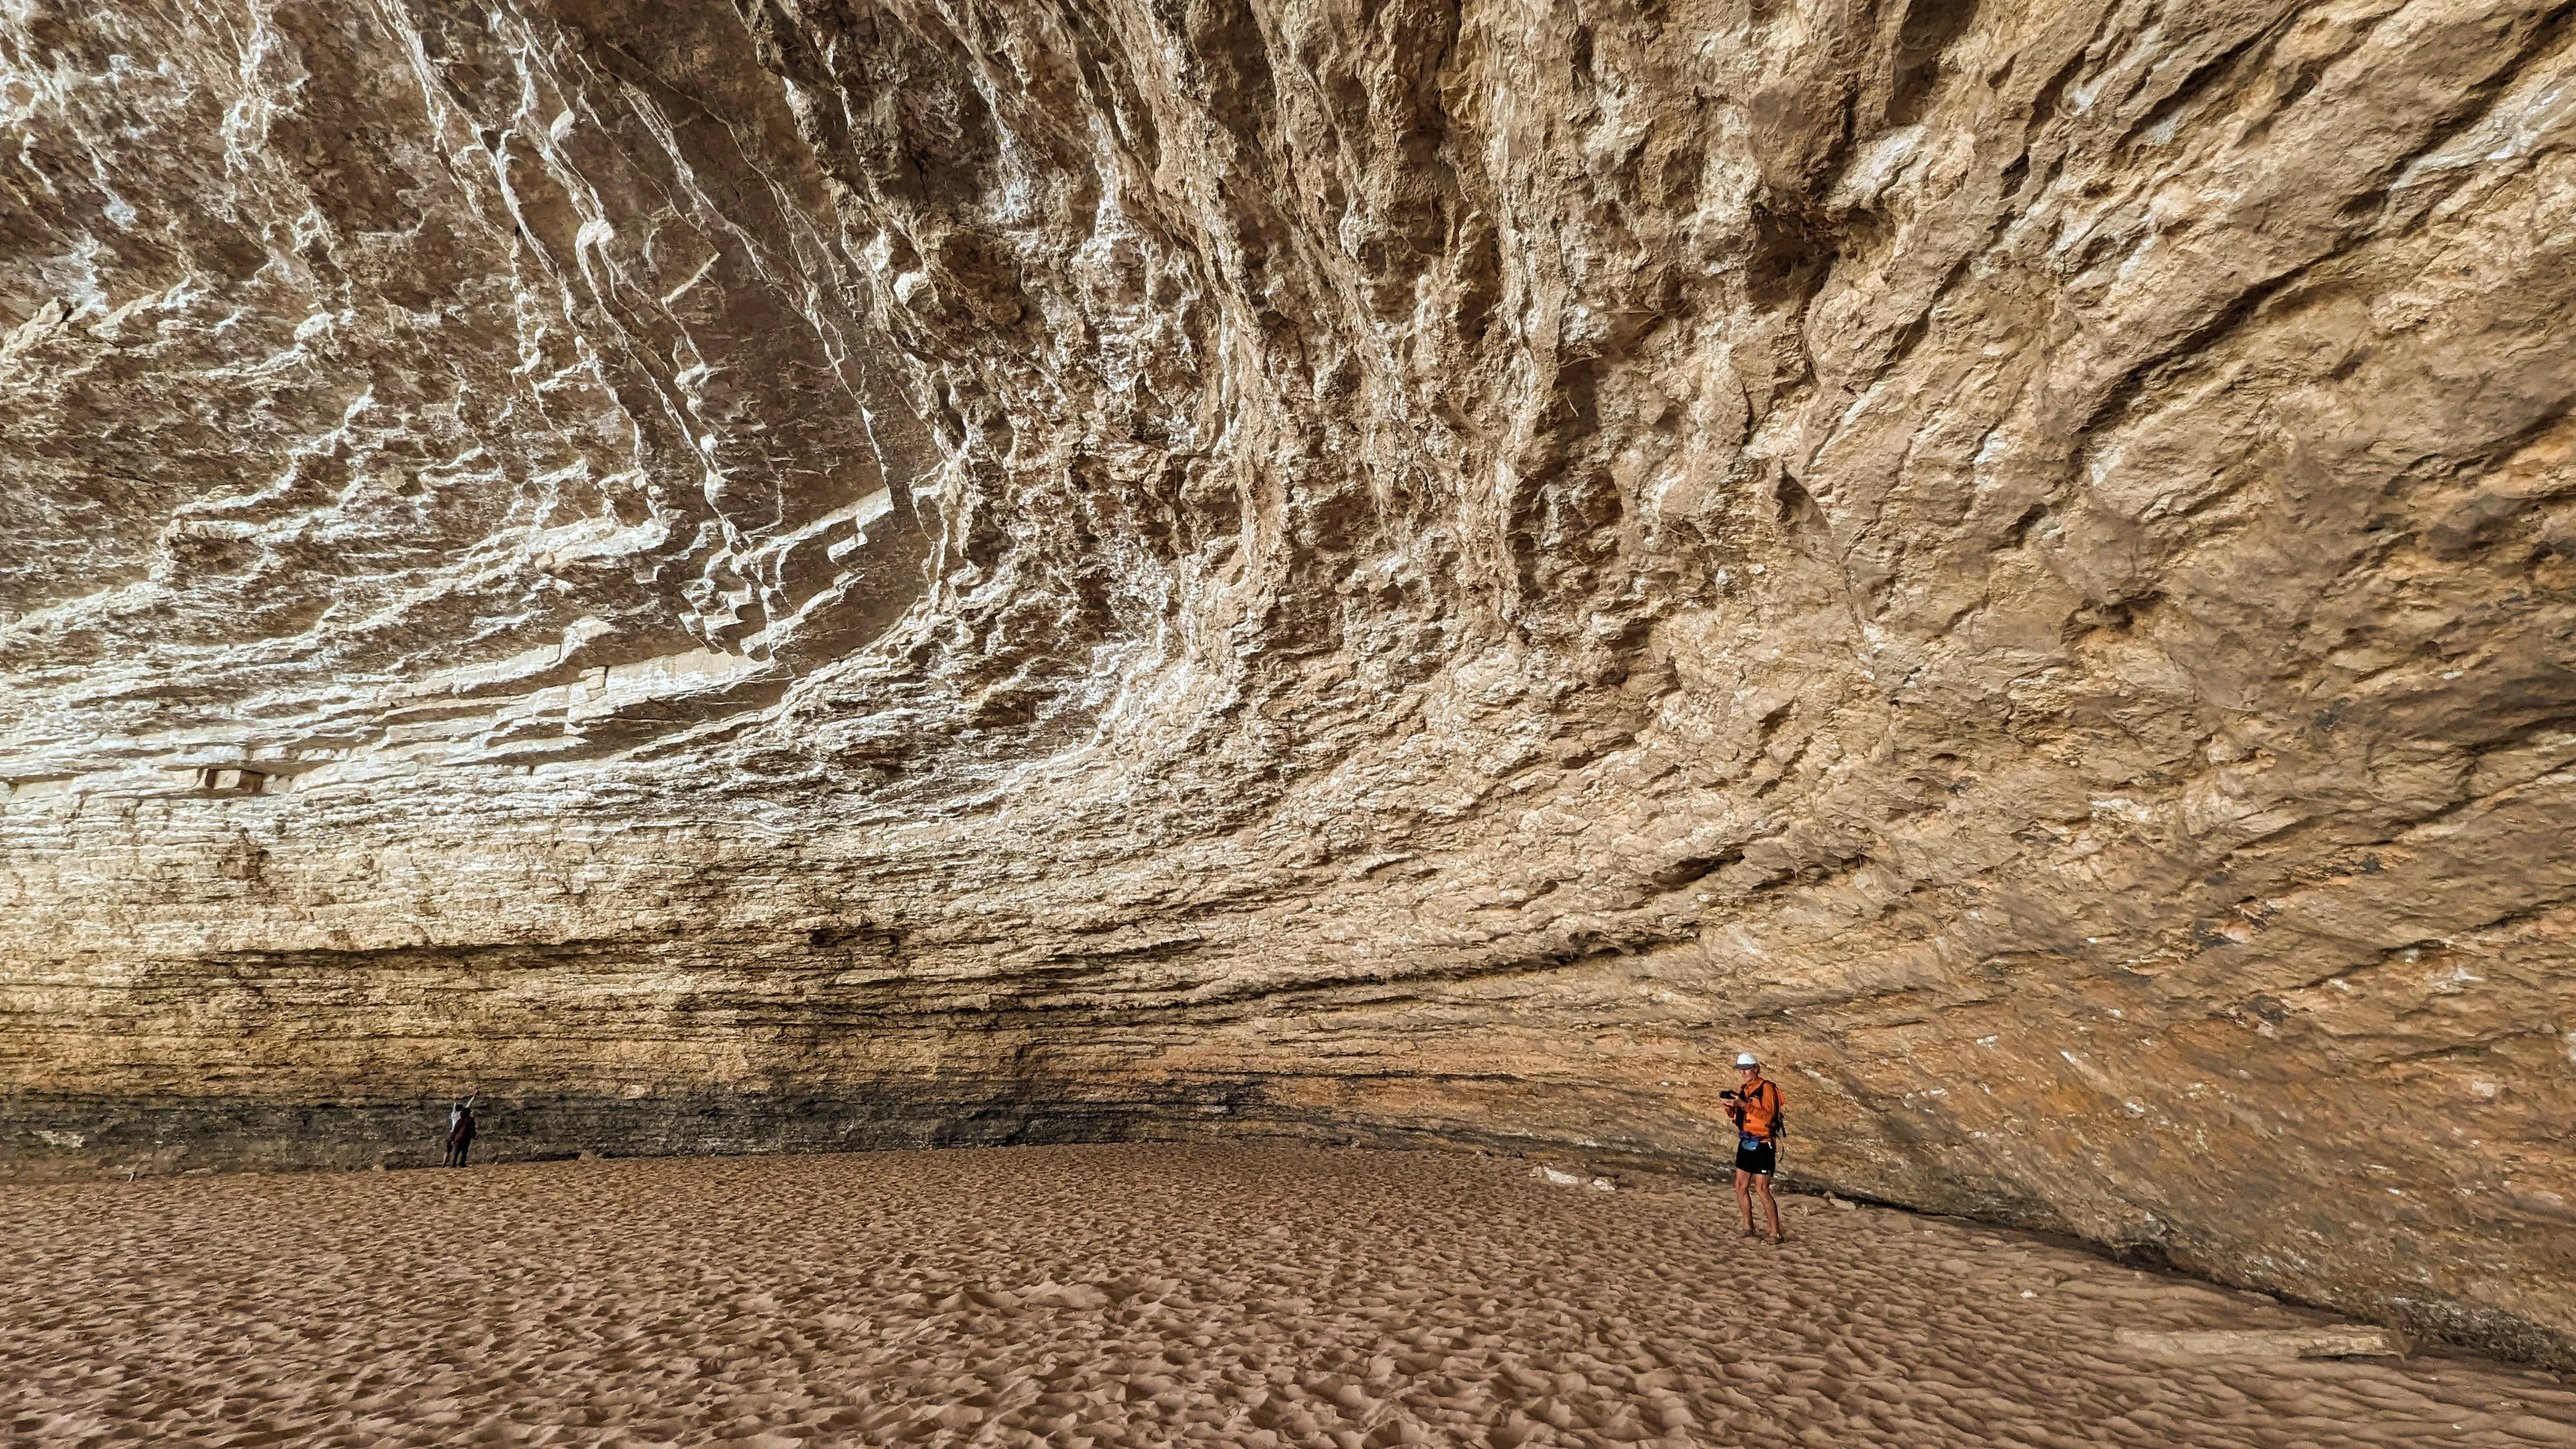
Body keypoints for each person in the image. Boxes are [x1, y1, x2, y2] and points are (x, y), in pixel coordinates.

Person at [1723, 1053, 1785, 1243]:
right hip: (1746, 1141)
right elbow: (1736, 1115)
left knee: (1762, 1189)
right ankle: (1748, 1227)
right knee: (1740, 1186)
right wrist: (1730, 1106)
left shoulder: (1767, 1088)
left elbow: (1768, 1116)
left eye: (1747, 1068)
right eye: (1741, 1069)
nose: (1743, 1072)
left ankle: (1775, 1233)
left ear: (1756, 1068)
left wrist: (1744, 1104)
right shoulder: (1743, 1089)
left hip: (1763, 1143)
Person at [443, 1099, 477, 1169]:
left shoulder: (457, 1118)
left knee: (455, 1151)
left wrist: (453, 1138)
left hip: (458, 1137)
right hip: (466, 1138)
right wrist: (474, 1136)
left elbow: (455, 1130)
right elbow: (473, 1129)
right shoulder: (471, 1120)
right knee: (464, 1152)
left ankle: (451, 1164)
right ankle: (462, 1164)